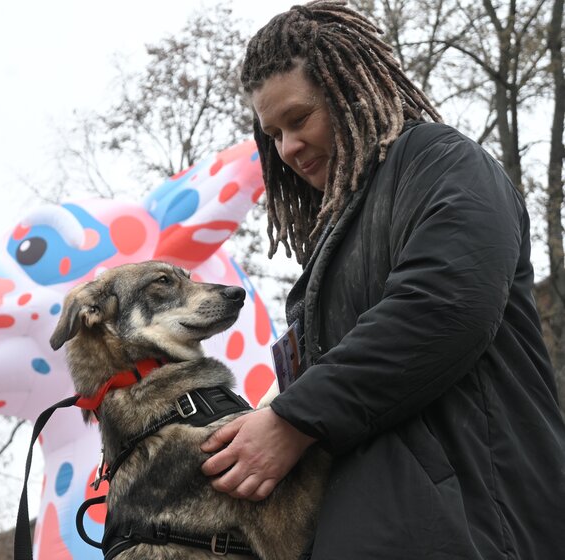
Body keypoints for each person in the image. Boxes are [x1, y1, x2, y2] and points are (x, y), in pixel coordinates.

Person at [200, 1, 565, 558]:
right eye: (272, 133)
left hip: (477, 531)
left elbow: (445, 305)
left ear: (352, 94)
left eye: (299, 120)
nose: (287, 149)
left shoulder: (443, 163)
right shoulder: (330, 244)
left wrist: (293, 421)